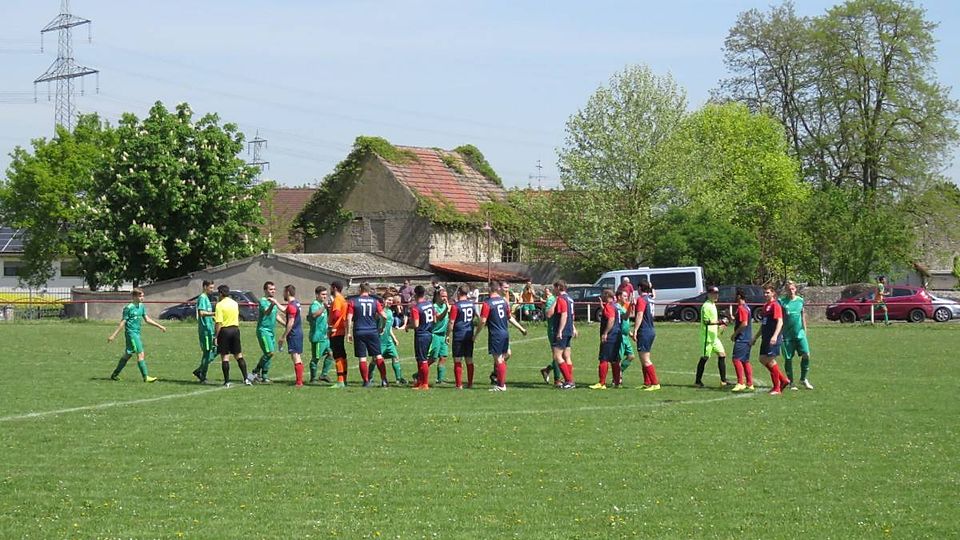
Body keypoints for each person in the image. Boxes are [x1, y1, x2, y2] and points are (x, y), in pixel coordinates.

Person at [475, 281, 527, 392]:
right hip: (505, 333)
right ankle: (498, 379)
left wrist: (476, 334)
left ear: (489, 289)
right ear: (498, 289)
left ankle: (501, 385)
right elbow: (509, 317)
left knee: (499, 359)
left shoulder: (487, 303)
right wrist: (521, 328)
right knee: (504, 356)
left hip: (496, 334)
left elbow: (483, 321)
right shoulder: (503, 302)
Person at [108, 288, 165, 383]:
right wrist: (113, 335)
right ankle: (146, 377)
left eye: (143, 296)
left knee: (128, 355)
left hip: (137, 334)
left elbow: (147, 319)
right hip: (131, 334)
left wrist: (159, 326)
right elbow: (122, 322)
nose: (142, 298)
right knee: (140, 354)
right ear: (134, 297)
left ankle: (115, 374)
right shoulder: (128, 308)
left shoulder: (141, 306)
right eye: (140, 296)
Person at [752, 285, 792, 395]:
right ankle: (783, 380)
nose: (765, 295)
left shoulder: (775, 305)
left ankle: (777, 388)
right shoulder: (766, 306)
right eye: (764, 293)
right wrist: (755, 337)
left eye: (768, 292)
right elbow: (763, 324)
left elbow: (780, 322)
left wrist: (775, 336)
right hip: (765, 338)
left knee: (770, 360)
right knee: (762, 359)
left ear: (773, 293)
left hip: (772, 338)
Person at [346, 282, 387, 387]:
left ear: (360, 290)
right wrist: (382, 327)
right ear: (369, 290)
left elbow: (349, 318)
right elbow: (384, 316)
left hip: (359, 331)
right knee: (378, 355)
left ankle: (366, 381)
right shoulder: (375, 301)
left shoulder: (353, 301)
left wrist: (348, 333)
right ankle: (384, 380)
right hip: (372, 331)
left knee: (362, 358)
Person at [213, 284, 251, 387]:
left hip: (225, 331)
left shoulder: (219, 305)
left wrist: (216, 336)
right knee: (238, 355)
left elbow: (219, 323)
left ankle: (227, 381)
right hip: (235, 329)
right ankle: (246, 378)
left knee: (225, 356)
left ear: (221, 293)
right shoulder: (234, 303)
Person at [694, 286, 732, 388]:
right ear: (708, 294)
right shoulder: (706, 306)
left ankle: (723, 381)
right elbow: (706, 321)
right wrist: (720, 322)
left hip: (714, 337)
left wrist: (721, 326)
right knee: (705, 357)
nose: (716, 296)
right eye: (714, 294)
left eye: (717, 293)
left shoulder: (713, 305)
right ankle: (697, 381)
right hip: (707, 337)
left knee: (722, 354)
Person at [780, 280, 813, 390]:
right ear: (786, 290)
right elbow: (779, 318)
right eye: (789, 289)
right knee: (788, 358)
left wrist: (805, 330)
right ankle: (791, 382)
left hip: (800, 334)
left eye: (793, 289)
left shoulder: (800, 300)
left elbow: (802, 315)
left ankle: (803, 379)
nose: (791, 291)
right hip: (787, 335)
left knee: (806, 354)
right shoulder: (782, 302)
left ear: (796, 289)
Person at [545, 280, 576, 389]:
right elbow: (572, 315)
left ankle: (569, 381)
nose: (553, 290)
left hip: (562, 330)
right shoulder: (570, 299)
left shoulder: (561, 299)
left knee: (557, 356)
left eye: (554, 288)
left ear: (558, 287)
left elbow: (557, 314)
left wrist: (560, 331)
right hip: (569, 330)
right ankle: (570, 380)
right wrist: (573, 328)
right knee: (567, 356)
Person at [631, 281, 660, 391]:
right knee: (643, 358)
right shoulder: (650, 298)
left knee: (645, 359)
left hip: (644, 330)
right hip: (651, 329)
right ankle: (647, 382)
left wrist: (635, 330)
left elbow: (639, 314)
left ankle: (655, 383)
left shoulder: (641, 299)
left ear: (639, 288)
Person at [252, 281, 283, 383]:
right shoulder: (263, 301)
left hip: (271, 331)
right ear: (265, 290)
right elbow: (266, 312)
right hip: (263, 330)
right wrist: (272, 305)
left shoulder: (273, 301)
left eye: (274, 289)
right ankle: (256, 371)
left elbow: (276, 315)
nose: (273, 291)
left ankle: (264, 375)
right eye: (270, 289)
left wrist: (286, 324)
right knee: (269, 352)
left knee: (270, 353)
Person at [447, 285, 478, 389]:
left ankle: (459, 384)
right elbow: (474, 316)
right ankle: (470, 383)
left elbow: (451, 322)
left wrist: (447, 334)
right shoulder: (472, 304)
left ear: (458, 292)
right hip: (469, 334)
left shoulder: (456, 306)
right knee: (469, 359)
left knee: (457, 359)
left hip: (459, 335)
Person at [590, 289, 620, 390]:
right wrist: (603, 307)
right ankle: (617, 382)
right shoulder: (615, 306)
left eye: (603, 295)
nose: (601, 296)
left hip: (610, 336)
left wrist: (605, 333)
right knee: (614, 359)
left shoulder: (609, 306)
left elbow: (611, 319)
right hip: (616, 335)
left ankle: (602, 383)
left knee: (604, 358)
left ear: (607, 295)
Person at [407, 285, 435, 390]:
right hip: (429, 333)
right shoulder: (430, 304)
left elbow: (416, 324)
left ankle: (425, 384)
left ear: (415, 294)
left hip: (421, 335)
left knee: (422, 359)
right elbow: (434, 319)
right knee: (420, 359)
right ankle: (420, 382)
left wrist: (407, 326)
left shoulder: (416, 308)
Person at [279, 284, 305, 387]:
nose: (283, 294)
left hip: (294, 334)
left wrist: (283, 336)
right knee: (297, 356)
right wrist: (275, 302)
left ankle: (299, 382)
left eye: (284, 292)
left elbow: (290, 322)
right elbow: (286, 310)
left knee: (295, 356)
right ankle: (299, 380)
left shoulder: (291, 306)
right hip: (298, 332)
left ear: (288, 292)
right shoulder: (296, 303)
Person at [730, 288, 755, 392]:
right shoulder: (747, 307)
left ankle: (740, 383)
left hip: (742, 338)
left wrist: (734, 334)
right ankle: (750, 383)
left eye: (735, 295)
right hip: (747, 337)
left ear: (739, 296)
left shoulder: (741, 308)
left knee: (736, 359)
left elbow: (744, 323)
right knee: (745, 361)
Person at [192, 280, 218, 384]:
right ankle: (202, 375)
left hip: (210, 329)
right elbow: (202, 313)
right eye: (211, 288)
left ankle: (199, 370)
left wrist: (214, 319)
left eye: (213, 287)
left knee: (216, 350)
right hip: (205, 331)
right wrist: (214, 313)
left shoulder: (206, 298)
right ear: (205, 287)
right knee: (207, 353)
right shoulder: (202, 298)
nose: (212, 290)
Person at [307, 285, 334, 384]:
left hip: (325, 336)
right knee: (316, 358)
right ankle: (313, 378)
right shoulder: (315, 305)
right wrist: (324, 307)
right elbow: (314, 315)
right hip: (317, 336)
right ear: (317, 295)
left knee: (331, 354)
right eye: (323, 294)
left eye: (326, 294)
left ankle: (324, 374)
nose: (324, 296)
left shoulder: (323, 305)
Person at [538, 286, 563, 387]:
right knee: (557, 355)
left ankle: (547, 370)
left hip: (562, 331)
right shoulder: (551, 300)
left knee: (562, 355)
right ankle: (557, 380)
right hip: (553, 331)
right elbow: (548, 314)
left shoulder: (563, 299)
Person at [380, 295, 406, 385]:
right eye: (388, 300)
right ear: (383, 300)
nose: (390, 302)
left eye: (391, 300)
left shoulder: (390, 312)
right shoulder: (380, 311)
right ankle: (369, 378)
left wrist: (394, 338)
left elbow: (389, 327)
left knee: (395, 357)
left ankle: (399, 378)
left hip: (389, 340)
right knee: (375, 360)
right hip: (381, 340)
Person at [328, 281, 349, 388]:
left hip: (336, 330)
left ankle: (340, 381)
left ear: (335, 288)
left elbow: (336, 314)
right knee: (342, 354)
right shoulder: (343, 299)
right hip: (341, 329)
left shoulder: (337, 299)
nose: (330, 290)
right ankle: (344, 379)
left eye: (331, 288)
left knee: (337, 355)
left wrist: (331, 325)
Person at [428, 288, 450, 384]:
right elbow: (438, 318)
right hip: (435, 334)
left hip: (443, 335)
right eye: (442, 296)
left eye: (446, 296)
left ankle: (440, 379)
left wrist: (448, 335)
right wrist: (446, 310)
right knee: (433, 358)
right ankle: (419, 373)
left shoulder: (445, 305)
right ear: (437, 296)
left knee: (443, 357)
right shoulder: (434, 307)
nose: (445, 298)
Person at [615, 288, 635, 387]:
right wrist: (630, 305)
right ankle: (617, 378)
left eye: (627, 296)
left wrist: (630, 334)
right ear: (619, 297)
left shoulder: (623, 307)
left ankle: (619, 373)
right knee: (619, 358)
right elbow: (625, 317)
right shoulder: (617, 307)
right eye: (625, 296)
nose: (626, 298)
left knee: (631, 356)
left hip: (626, 336)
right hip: (620, 337)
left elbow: (625, 323)